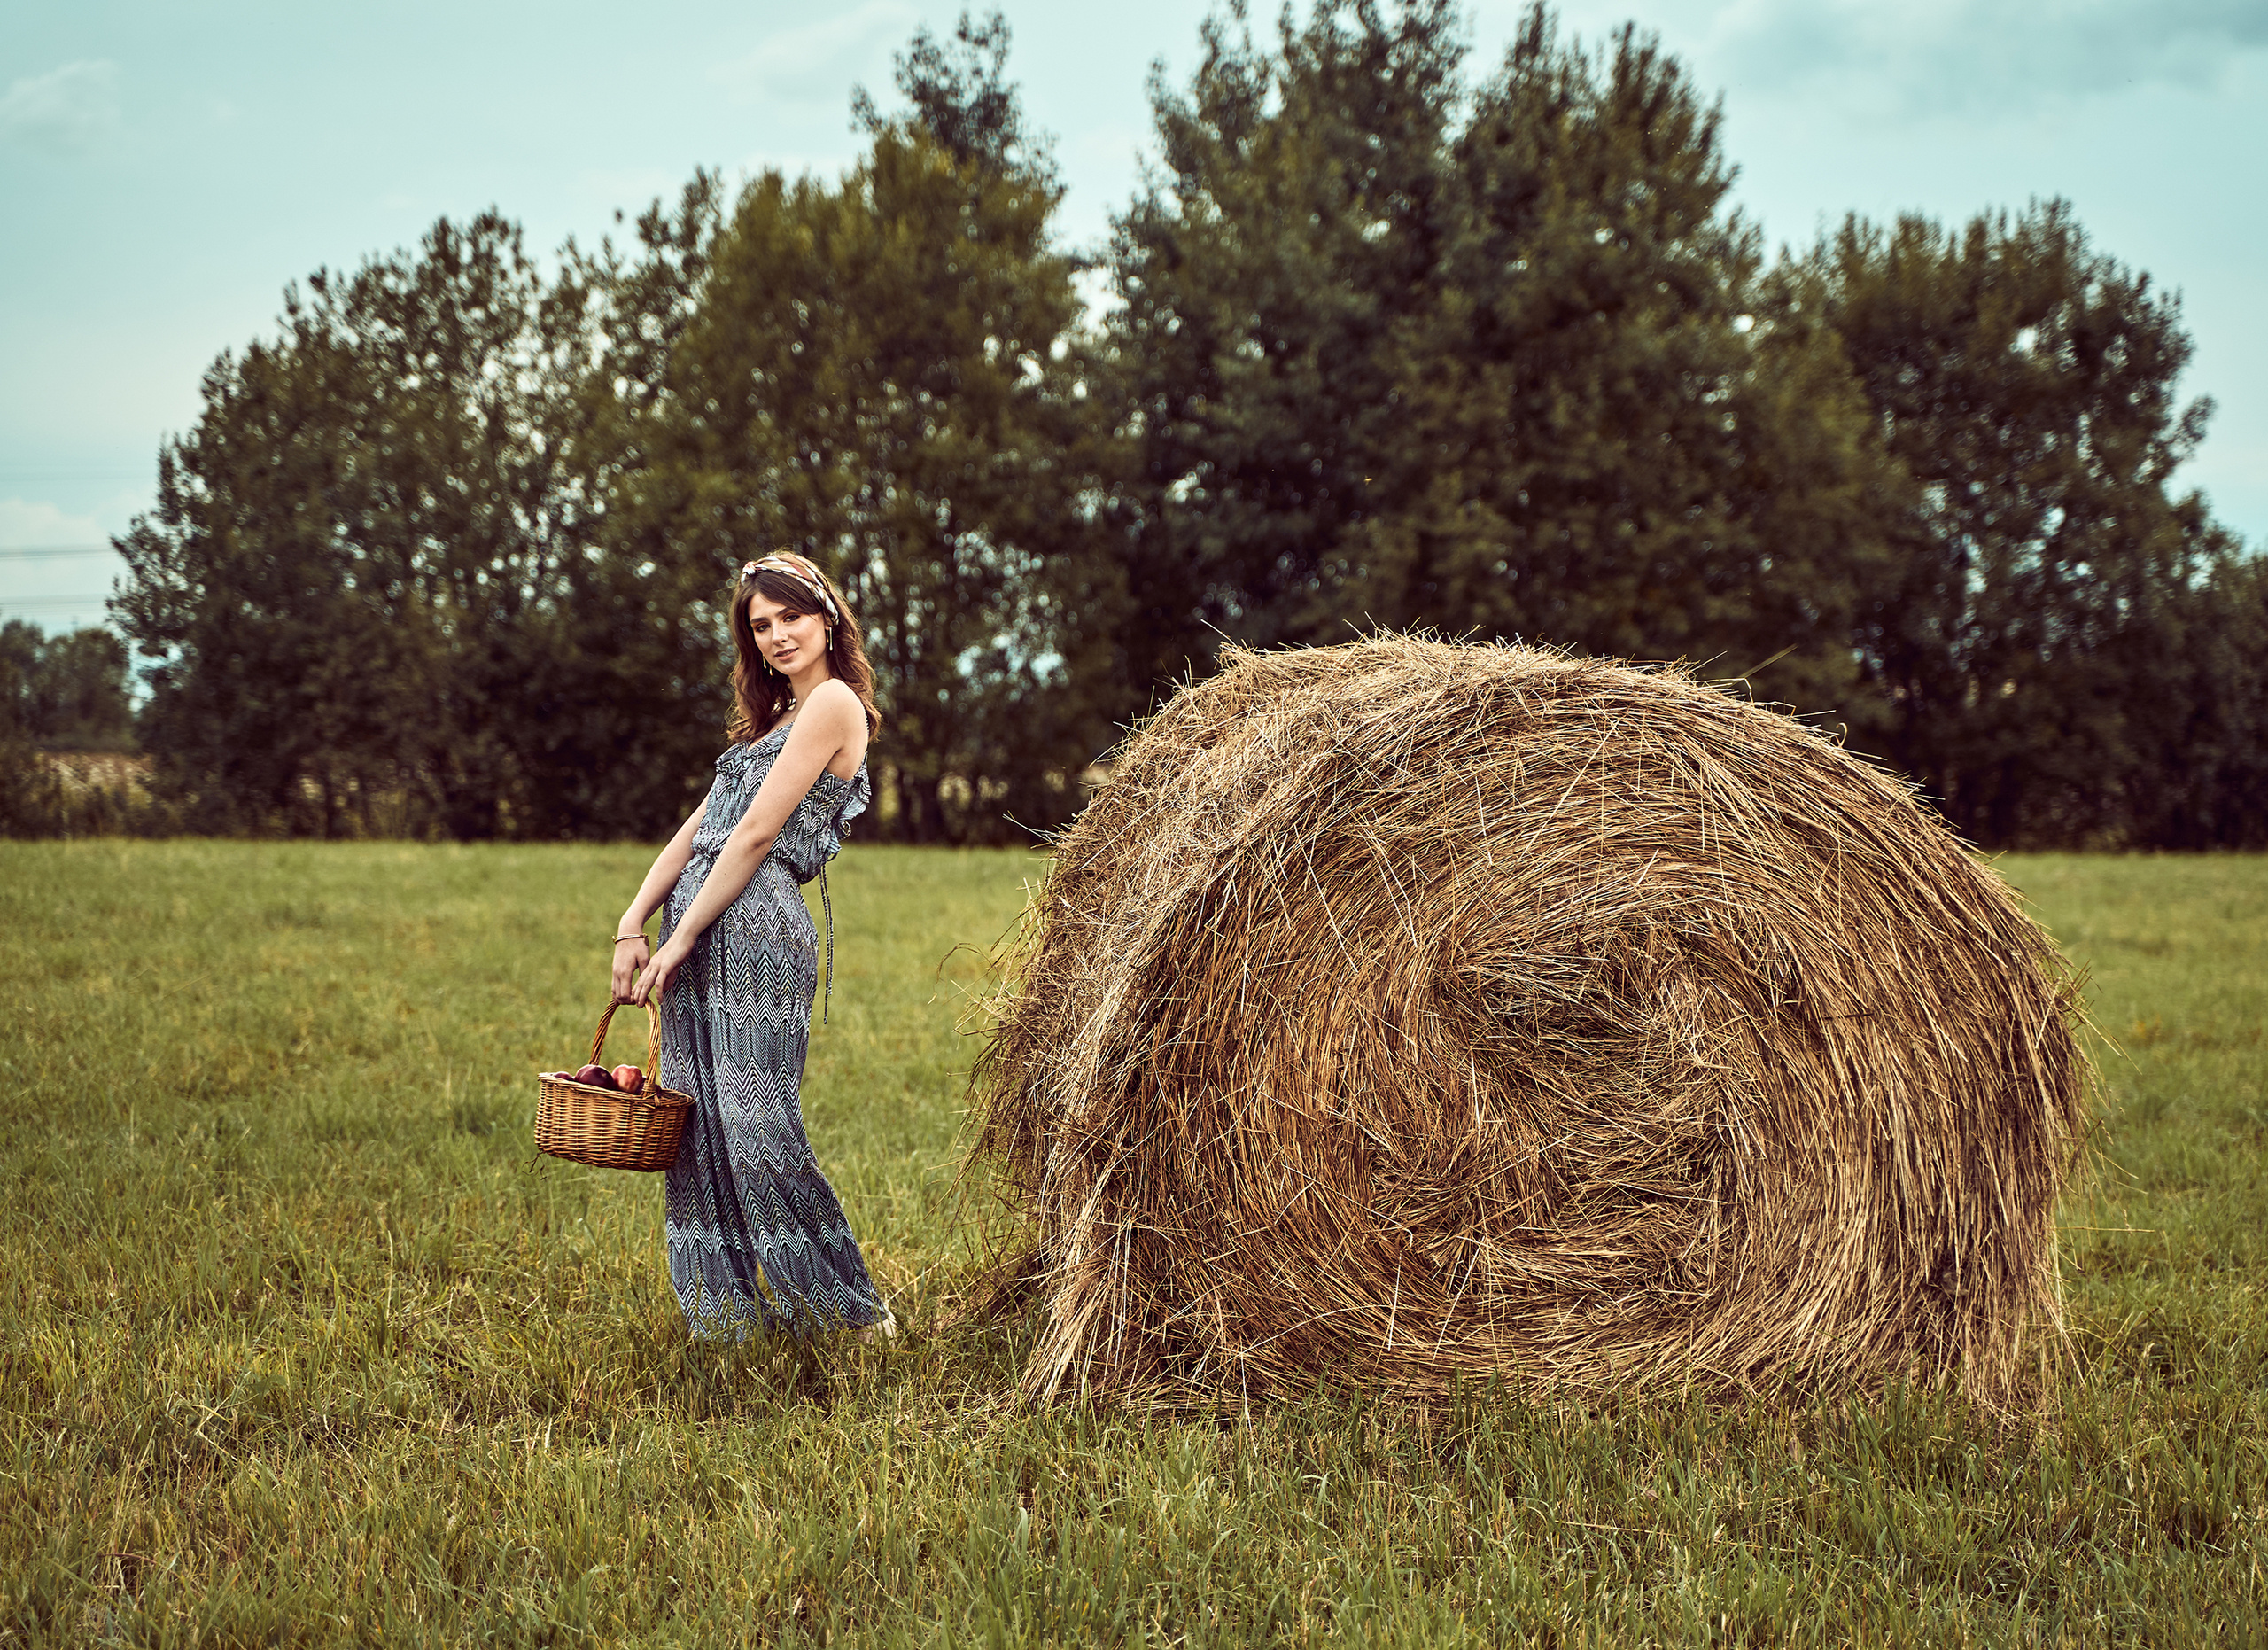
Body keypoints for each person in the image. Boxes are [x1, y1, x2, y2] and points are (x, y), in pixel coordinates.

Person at [609, 552, 893, 1341]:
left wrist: (684, 932)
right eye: (760, 626)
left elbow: (758, 834)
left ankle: (851, 1315)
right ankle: (730, 1319)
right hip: (700, 916)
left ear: (827, 617)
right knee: (698, 1122)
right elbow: (697, 833)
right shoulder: (768, 725)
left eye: (790, 617)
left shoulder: (834, 703)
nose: (776, 636)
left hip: (753, 922)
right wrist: (635, 923)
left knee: (758, 1123)